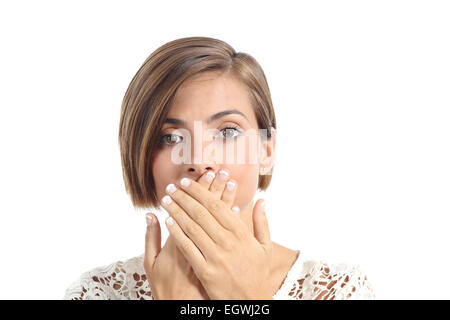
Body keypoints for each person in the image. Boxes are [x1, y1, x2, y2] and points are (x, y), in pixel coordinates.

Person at [63, 36, 374, 300]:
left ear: (266, 150)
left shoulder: (338, 289)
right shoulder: (99, 292)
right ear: (142, 156)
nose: (199, 160)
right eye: (170, 137)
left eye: (227, 132)